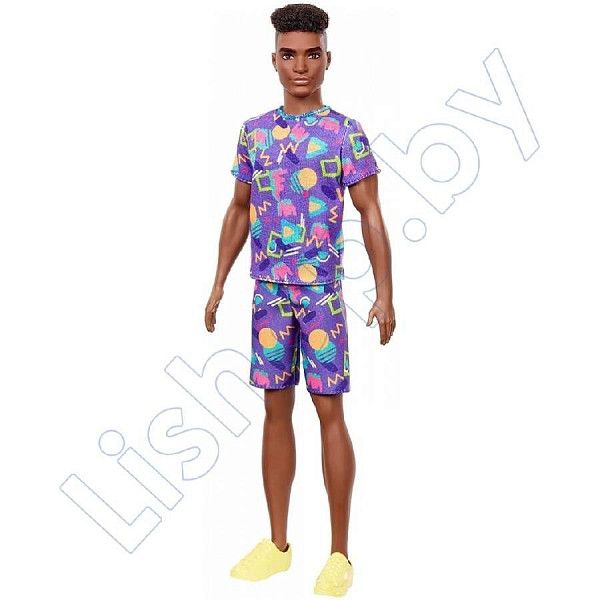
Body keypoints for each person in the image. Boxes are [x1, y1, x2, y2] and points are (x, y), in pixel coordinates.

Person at [204, 3, 395, 596]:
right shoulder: (255, 132)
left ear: (328, 59)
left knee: (329, 411)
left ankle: (339, 554)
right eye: (289, 55)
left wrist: (386, 292)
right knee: (274, 410)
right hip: (268, 294)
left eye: (312, 54)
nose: (301, 66)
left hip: (321, 298)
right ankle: (278, 543)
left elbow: (370, 212)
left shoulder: (344, 133)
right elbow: (240, 207)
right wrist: (218, 281)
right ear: (274, 60)